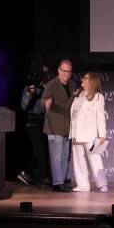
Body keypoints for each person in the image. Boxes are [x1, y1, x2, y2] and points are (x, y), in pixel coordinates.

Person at [41, 59, 76, 192]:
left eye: (69, 71)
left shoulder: (72, 85)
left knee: (65, 156)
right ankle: (57, 183)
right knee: (56, 157)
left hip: (67, 127)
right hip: (54, 126)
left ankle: (62, 180)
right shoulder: (52, 85)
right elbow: (42, 101)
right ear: (59, 70)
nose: (66, 74)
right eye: (64, 71)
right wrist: (47, 103)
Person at [70, 72, 108, 193]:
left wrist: (102, 135)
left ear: (92, 81)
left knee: (95, 157)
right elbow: (73, 113)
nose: (82, 79)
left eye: (85, 78)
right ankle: (83, 185)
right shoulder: (78, 93)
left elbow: (101, 117)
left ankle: (102, 184)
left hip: (89, 133)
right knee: (78, 160)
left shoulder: (98, 97)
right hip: (76, 131)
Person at [17, 64, 51, 187]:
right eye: (43, 73)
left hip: (46, 122)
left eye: (47, 73)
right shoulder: (29, 88)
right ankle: (34, 176)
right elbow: (23, 106)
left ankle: (35, 175)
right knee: (41, 150)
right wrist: (30, 94)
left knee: (45, 151)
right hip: (33, 122)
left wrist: (47, 90)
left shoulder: (49, 87)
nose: (45, 75)